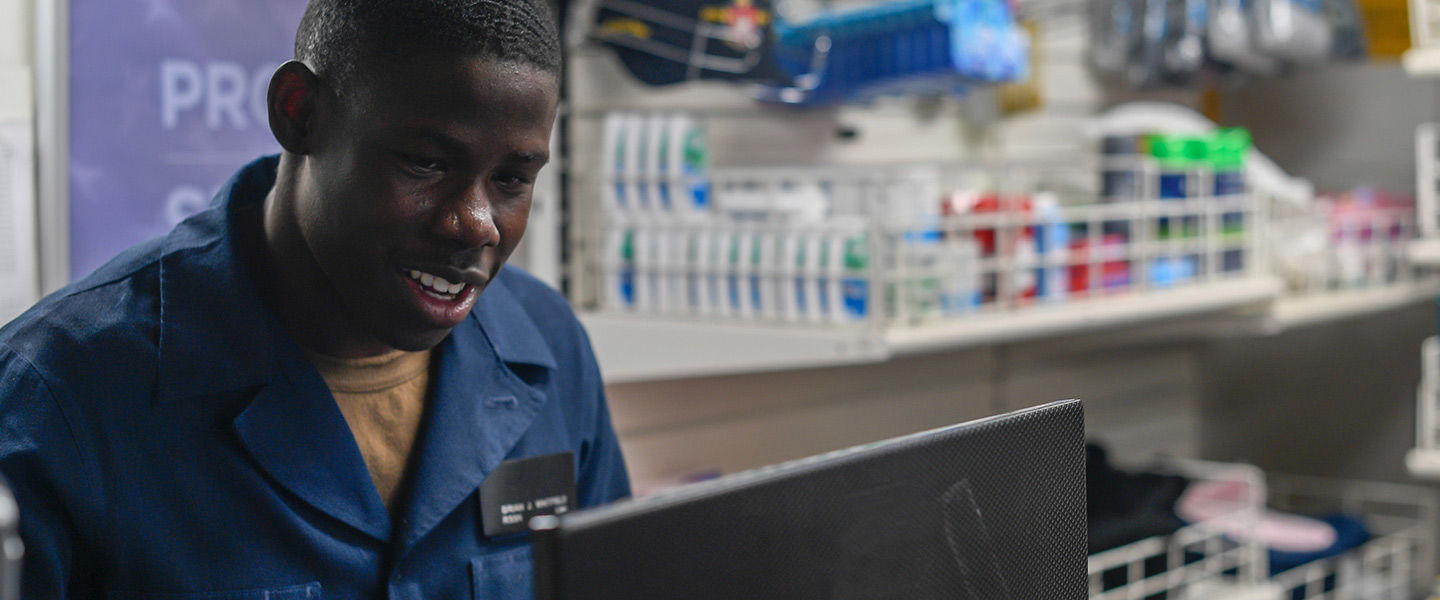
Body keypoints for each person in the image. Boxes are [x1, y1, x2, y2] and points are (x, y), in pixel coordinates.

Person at [0, 0, 630, 597]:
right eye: (425, 163)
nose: (475, 223)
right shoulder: (57, 395)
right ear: (298, 112)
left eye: (513, 180)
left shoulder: (550, 346)